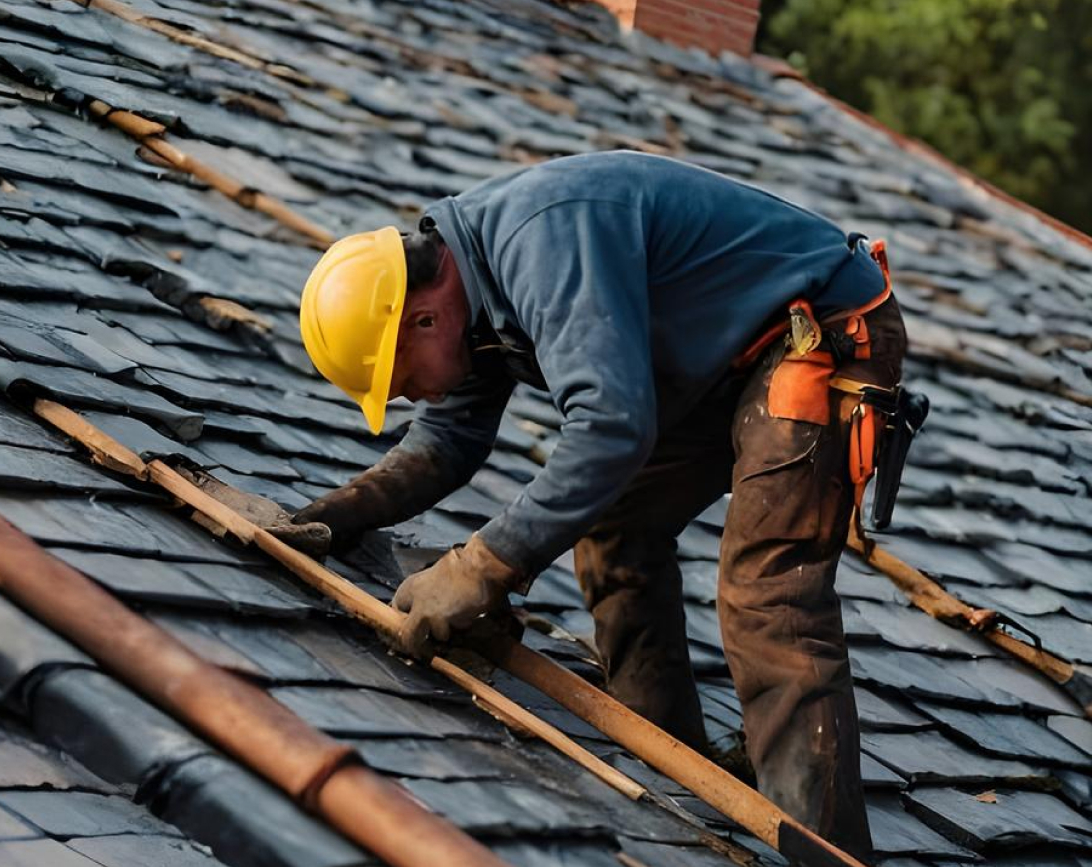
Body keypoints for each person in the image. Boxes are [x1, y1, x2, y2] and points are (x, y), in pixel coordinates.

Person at [285, 150, 903, 858]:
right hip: (728, 368)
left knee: (767, 593)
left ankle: (826, 851)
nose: (411, 397)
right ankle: (677, 773)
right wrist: (335, 516)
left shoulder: (536, 242)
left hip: (822, 335)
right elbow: (448, 442)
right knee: (616, 528)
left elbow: (612, 425)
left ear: (423, 319)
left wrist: (483, 565)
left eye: (401, 381)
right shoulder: (471, 297)